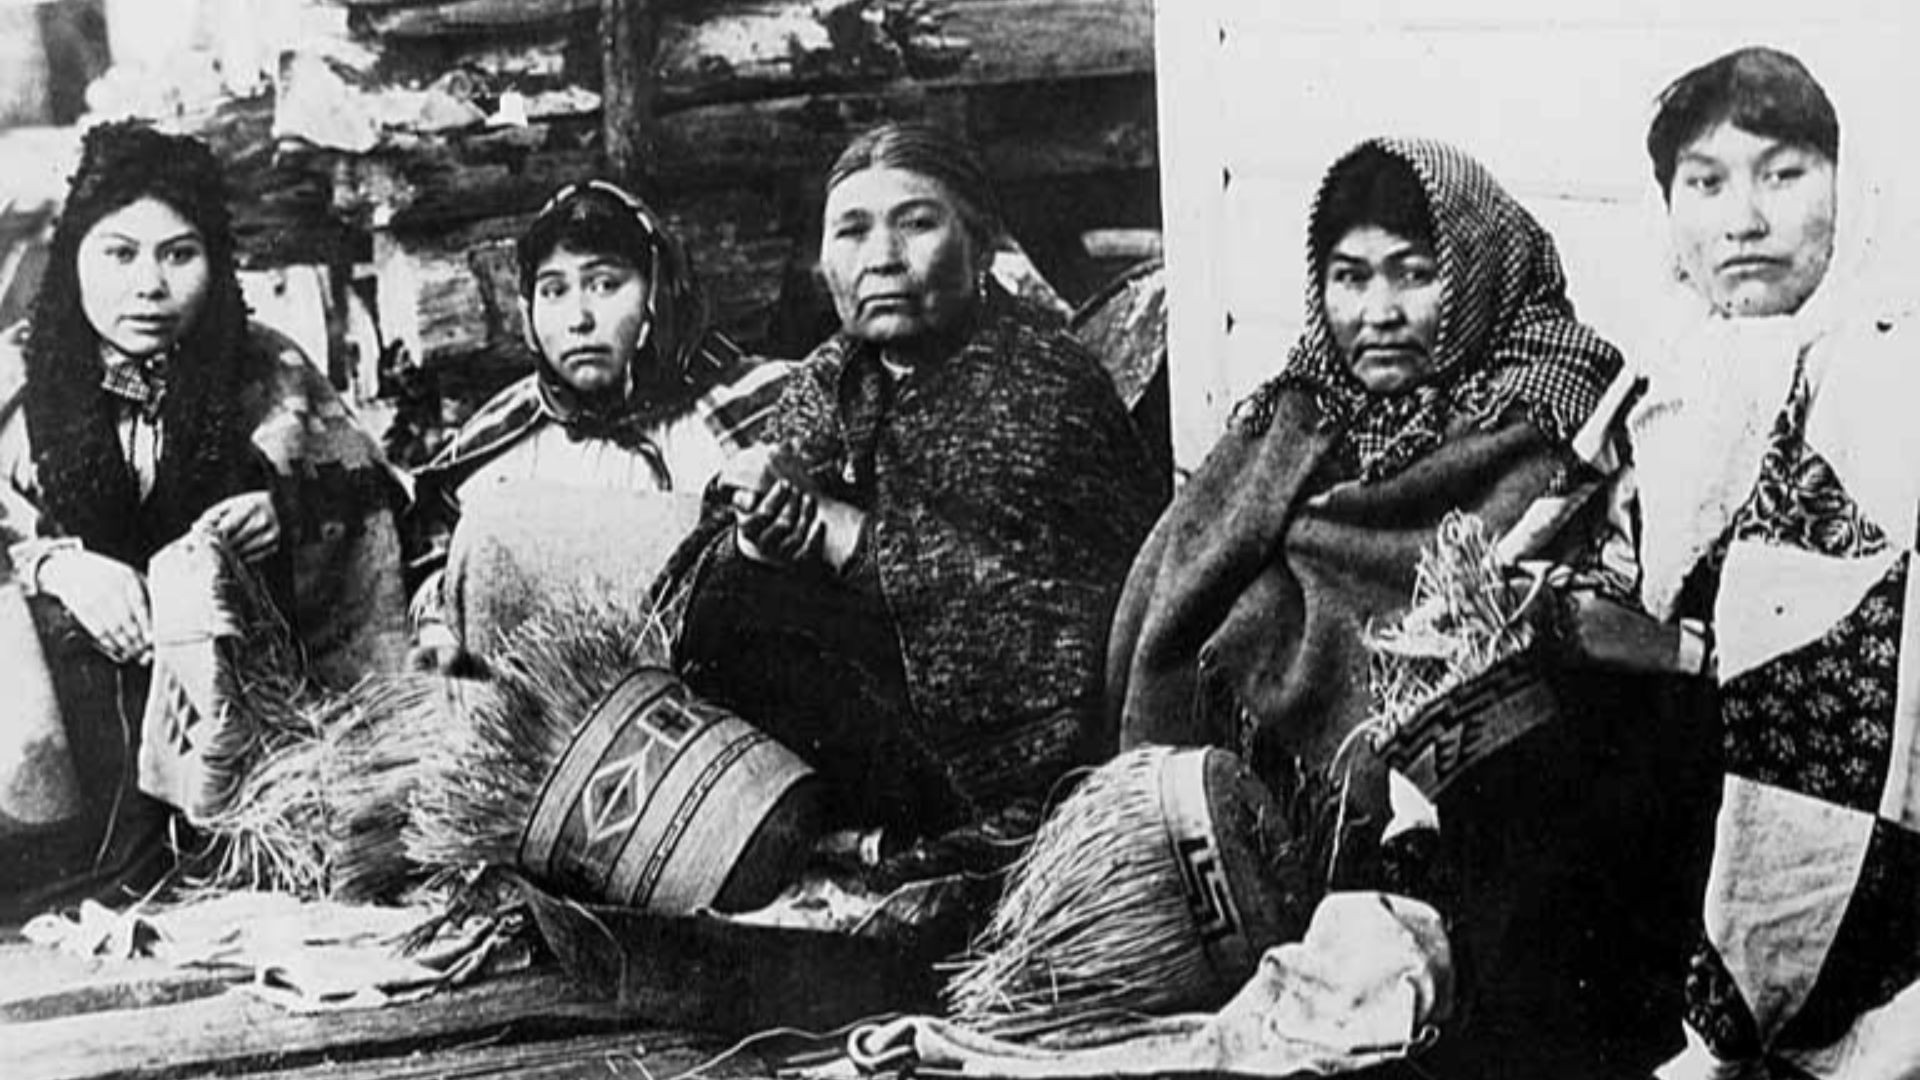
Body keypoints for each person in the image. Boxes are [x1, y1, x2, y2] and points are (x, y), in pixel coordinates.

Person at [1105, 138, 1697, 1075]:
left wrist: (1287, 586)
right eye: (1349, 278)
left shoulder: (1541, 403)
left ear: (1472, 270)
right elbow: (1179, 565)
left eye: (1414, 276)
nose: (1376, 314)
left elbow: (1462, 582)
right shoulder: (1298, 407)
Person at [665, 122, 1166, 875]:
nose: (882, 259)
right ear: (822, 261)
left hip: (994, 767)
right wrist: (757, 529)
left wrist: (845, 539)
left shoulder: (1046, 387)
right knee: (735, 586)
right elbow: (687, 595)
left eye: (918, 224)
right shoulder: (830, 378)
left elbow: (1061, 620)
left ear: (982, 243)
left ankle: (876, 848)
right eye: (852, 232)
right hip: (853, 731)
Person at [0, 120, 408, 920]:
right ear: (75, 256)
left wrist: (284, 510)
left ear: (215, 263)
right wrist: (53, 565)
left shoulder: (267, 368)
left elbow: (369, 502)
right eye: (119, 253)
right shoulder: (15, 375)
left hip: (229, 723)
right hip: (60, 735)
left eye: (178, 254)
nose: (147, 285)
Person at [1628, 46, 1920, 1080]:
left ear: (1852, 184)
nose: (1742, 221)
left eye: (1783, 175)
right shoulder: (1672, 376)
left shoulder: (1886, 367)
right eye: (1705, 184)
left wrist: (1673, 650)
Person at [405, 179, 789, 664]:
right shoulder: (500, 442)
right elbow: (435, 566)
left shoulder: (756, 408)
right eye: (554, 291)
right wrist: (441, 631)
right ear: (528, 313)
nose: (579, 318)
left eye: (605, 284)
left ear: (661, 292)